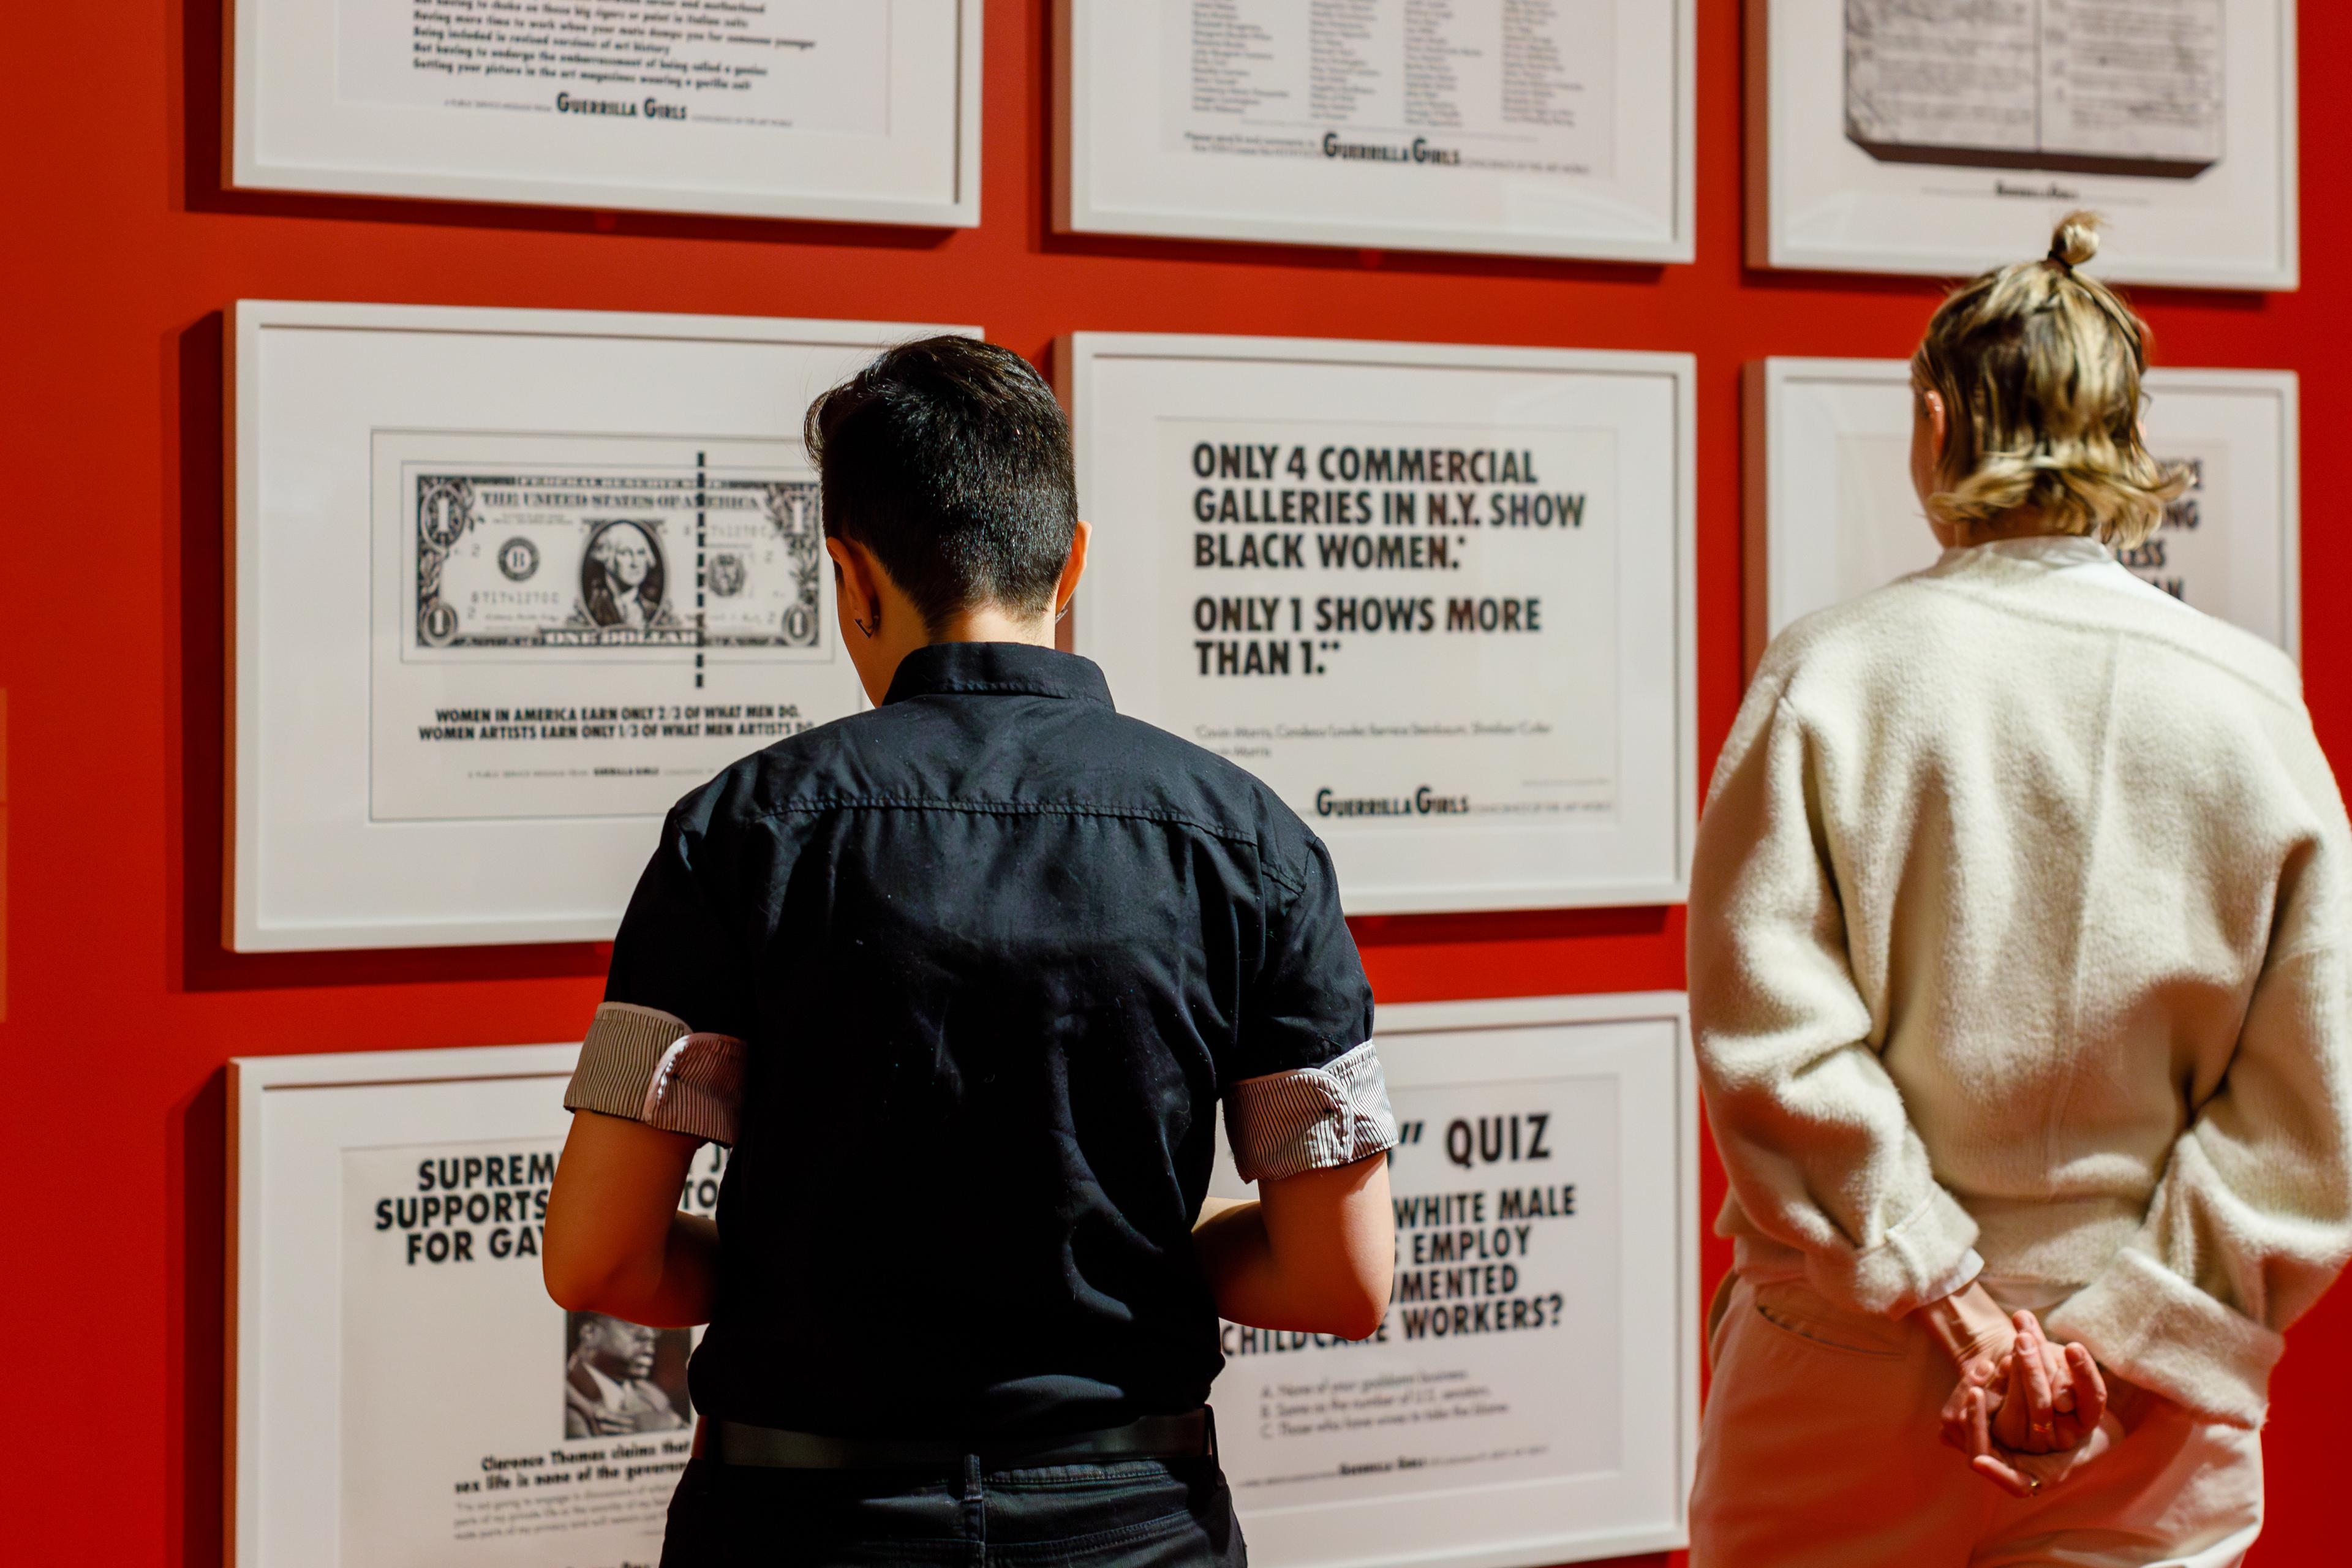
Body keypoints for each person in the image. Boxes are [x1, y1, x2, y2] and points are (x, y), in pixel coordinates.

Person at [541, 336, 1398, 1567]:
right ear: (1075, 561)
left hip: (803, 1523)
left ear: (848, 574)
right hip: (1134, 1523)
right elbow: (1340, 1279)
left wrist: (813, 1262)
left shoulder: (740, 833)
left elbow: (600, 1251)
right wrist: (1137, 1249)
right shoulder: (1250, 843)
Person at [1687, 214, 2352, 1566]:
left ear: (1934, 426)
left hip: (1850, 1354)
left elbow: (1774, 1041)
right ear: (2125, 436)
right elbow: (2312, 1094)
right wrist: (2130, 1335)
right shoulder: (2252, 701)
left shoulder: (1833, 674)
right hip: (2152, 1394)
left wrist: (1954, 1302)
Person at [565, 1313, 689, 1438]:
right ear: (590, 1333)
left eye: (652, 1325)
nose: (649, 1335)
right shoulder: (563, 1398)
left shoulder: (654, 1397)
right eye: (631, 1322)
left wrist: (674, 1426)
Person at [582, 519, 668, 628]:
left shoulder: (652, 610)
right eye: (625, 553)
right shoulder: (594, 607)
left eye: (641, 553)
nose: (635, 563)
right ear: (607, 557)